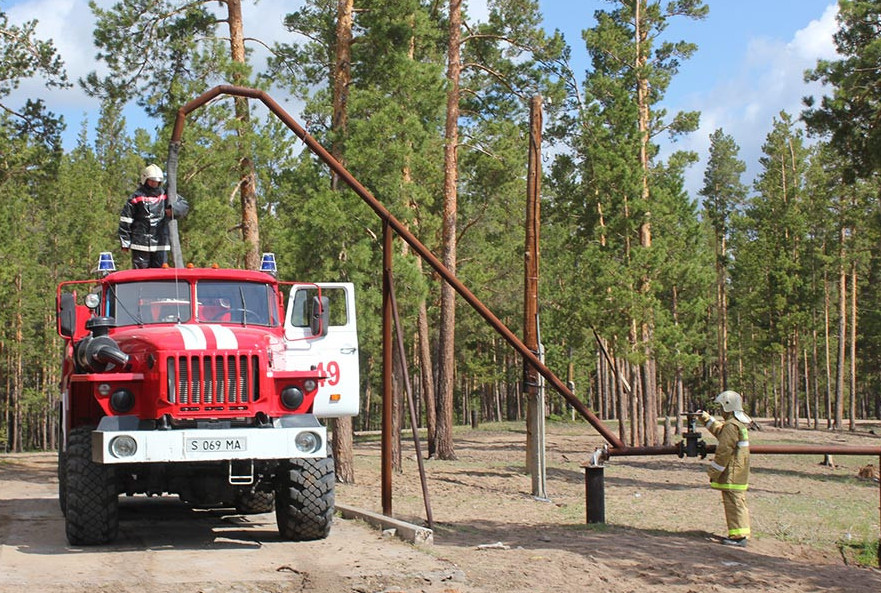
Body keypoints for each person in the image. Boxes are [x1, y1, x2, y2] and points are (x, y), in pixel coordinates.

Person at [697, 390, 752, 547]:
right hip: (737, 470)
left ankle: (739, 536)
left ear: (728, 406)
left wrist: (714, 471)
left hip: (733, 471)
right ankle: (739, 534)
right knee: (736, 502)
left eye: (721, 406)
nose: (720, 410)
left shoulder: (731, 426)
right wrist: (704, 417)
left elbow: (724, 451)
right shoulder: (734, 424)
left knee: (734, 503)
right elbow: (720, 432)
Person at [118, 164, 189, 269]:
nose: (154, 183)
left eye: (156, 181)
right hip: (140, 243)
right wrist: (125, 241)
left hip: (160, 242)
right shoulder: (136, 197)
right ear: (145, 179)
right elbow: (126, 219)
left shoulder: (166, 195)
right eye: (151, 180)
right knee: (140, 275)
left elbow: (184, 205)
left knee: (159, 275)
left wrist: (174, 210)